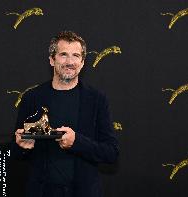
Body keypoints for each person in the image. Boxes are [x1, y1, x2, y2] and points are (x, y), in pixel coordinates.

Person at [12, 31, 119, 197]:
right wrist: (22, 146)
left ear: (82, 62)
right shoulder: (32, 98)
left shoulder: (97, 100)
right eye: (63, 55)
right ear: (51, 59)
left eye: (76, 55)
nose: (70, 62)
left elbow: (111, 153)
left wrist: (77, 142)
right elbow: (16, 152)